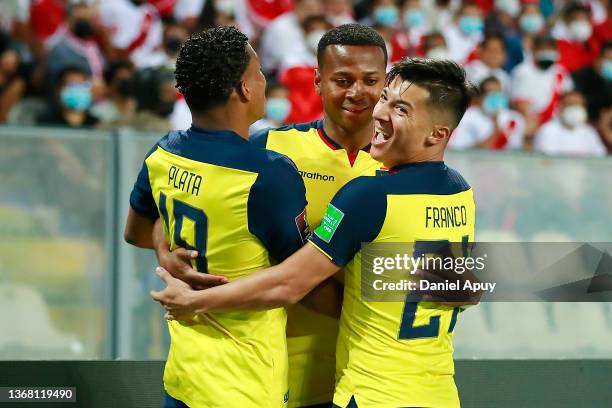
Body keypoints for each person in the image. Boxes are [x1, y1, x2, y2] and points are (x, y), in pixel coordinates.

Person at [152, 57, 477, 408]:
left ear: (437, 134)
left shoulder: (368, 195)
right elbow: (462, 294)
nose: (378, 113)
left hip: (372, 395)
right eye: (384, 98)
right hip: (439, 394)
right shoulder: (461, 192)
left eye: (400, 109)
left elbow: (288, 283)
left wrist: (195, 301)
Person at [153, 23, 388, 408]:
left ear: (387, 82)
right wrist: (166, 252)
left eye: (370, 80)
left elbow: (445, 276)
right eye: (342, 79)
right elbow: (178, 203)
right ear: (317, 81)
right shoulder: (270, 149)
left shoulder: (406, 168)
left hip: (365, 379)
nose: (356, 92)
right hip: (274, 373)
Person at [124, 26, 309, 408]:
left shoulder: (164, 152)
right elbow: (299, 278)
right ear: (243, 89)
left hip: (183, 376)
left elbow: (136, 231)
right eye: (259, 75)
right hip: (245, 384)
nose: (263, 83)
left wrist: (164, 252)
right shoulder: (269, 172)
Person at [450, 75, 525, 150]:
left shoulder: (514, 118)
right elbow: (461, 152)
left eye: (498, 92)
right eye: (490, 93)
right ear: (480, 97)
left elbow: (519, 151)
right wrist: (496, 132)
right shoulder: (466, 118)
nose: (495, 96)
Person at [533, 90, 607, 156]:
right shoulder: (548, 130)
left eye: (578, 105)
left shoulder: (589, 132)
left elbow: (600, 157)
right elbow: (547, 161)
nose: (575, 108)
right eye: (570, 104)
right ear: (561, 107)